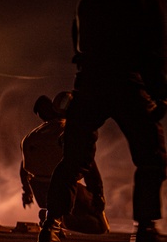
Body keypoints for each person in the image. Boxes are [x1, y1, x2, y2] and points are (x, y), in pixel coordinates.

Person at [38, 0, 167, 242]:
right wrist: (161, 94)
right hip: (127, 83)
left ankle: (50, 229)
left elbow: (79, 50)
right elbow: (153, 52)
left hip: (90, 86)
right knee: (152, 157)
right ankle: (146, 233)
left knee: (73, 161)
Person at [20, 91, 110, 234]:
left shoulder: (31, 137)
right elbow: (89, 166)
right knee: (98, 226)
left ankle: (54, 218)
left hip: (39, 189)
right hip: (65, 186)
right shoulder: (68, 132)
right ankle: (59, 220)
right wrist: (98, 194)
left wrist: (27, 191)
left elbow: (24, 168)